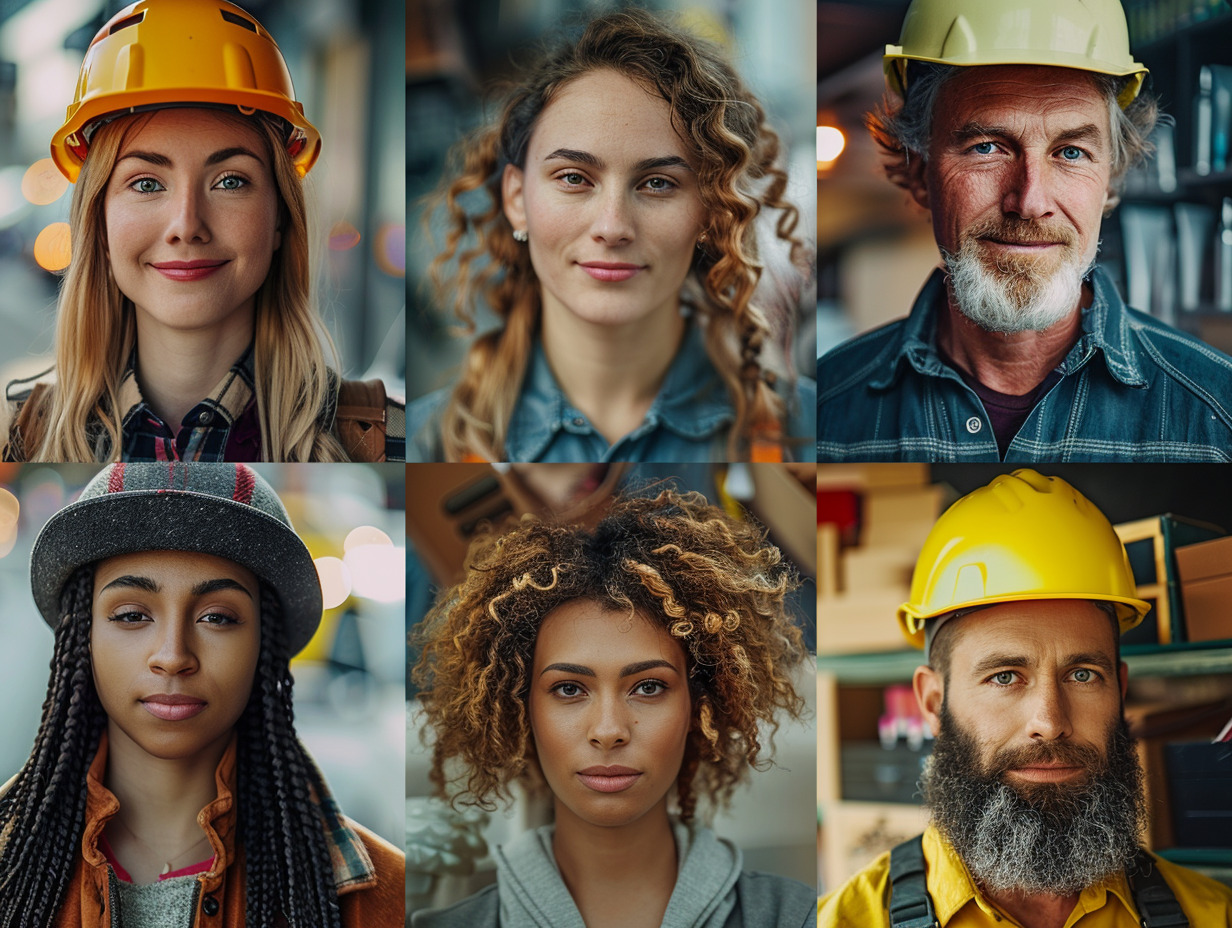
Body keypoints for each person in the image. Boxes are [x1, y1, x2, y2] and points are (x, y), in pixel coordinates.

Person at [816, 0, 1232, 462]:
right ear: (919, 171)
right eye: (987, 147)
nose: (1030, 202)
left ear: (1110, 179)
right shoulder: (825, 410)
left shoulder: (1218, 413)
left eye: (1071, 152)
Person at [818, 469, 1232, 927]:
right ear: (934, 702)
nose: (1050, 721)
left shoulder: (1213, 915)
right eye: (1004, 677)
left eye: (1082, 674)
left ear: (1121, 689)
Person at [0, 462, 404, 926]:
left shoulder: (386, 898)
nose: (173, 656)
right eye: (132, 614)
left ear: (263, 645)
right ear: (83, 636)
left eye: (217, 617)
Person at [1, 0, 404, 462]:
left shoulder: (392, 441)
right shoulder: (12, 436)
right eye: (147, 183)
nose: (187, 226)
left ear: (279, 217)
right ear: (99, 222)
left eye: (230, 181)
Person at [408, 8, 814, 463]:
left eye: (657, 183)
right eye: (574, 178)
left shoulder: (808, 428)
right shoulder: (426, 443)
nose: (613, 226)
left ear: (710, 212)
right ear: (517, 200)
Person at [410, 488, 817, 927]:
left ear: (700, 705)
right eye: (568, 689)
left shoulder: (797, 916)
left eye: (647, 687)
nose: (608, 730)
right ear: (519, 709)